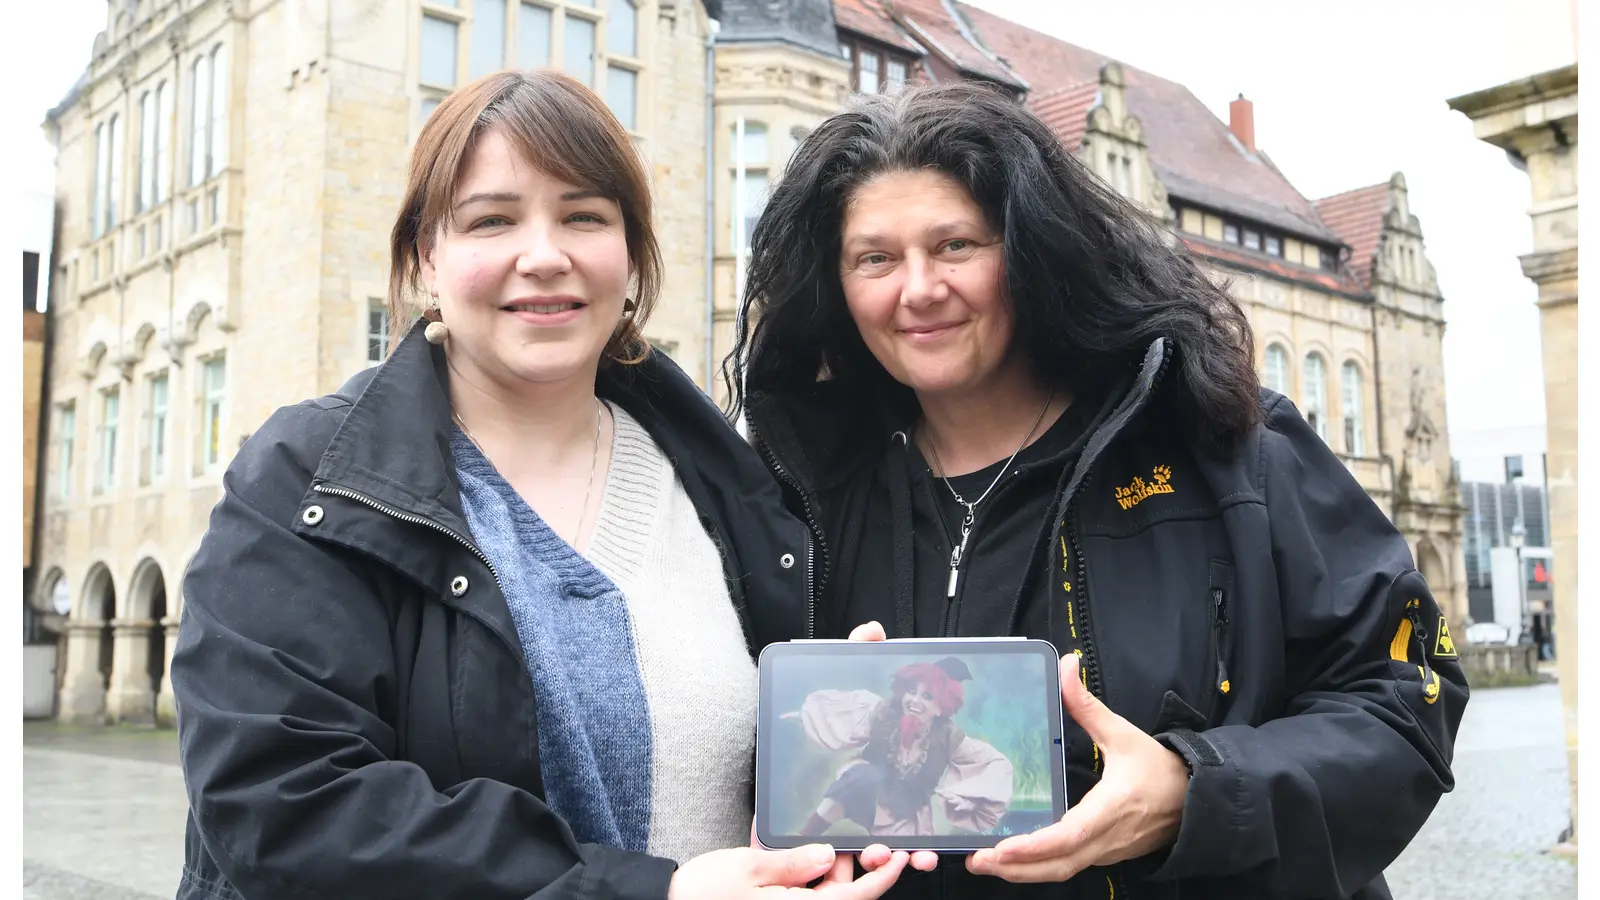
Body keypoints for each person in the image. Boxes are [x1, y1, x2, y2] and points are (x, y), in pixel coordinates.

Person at [170, 69, 911, 900]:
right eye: (492, 220)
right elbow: (287, 807)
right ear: (427, 257)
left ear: (629, 254)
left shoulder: (733, 485)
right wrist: (653, 893)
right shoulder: (309, 480)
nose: (546, 256)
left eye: (584, 216)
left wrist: (828, 740)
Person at [727, 81, 1468, 900]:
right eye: (875, 258)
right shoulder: (802, 497)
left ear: (1031, 252)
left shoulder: (1227, 449)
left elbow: (1405, 705)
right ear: (834, 283)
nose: (919, 288)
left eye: (956, 245)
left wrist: (1195, 792)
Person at [787, 658, 1013, 837]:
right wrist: (805, 717)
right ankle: (804, 837)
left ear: (940, 708)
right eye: (912, 691)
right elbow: (837, 718)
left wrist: (966, 797)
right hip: (864, 792)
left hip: (904, 815)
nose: (915, 701)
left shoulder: (950, 738)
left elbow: (992, 766)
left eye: (927, 696)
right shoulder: (882, 713)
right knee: (862, 777)